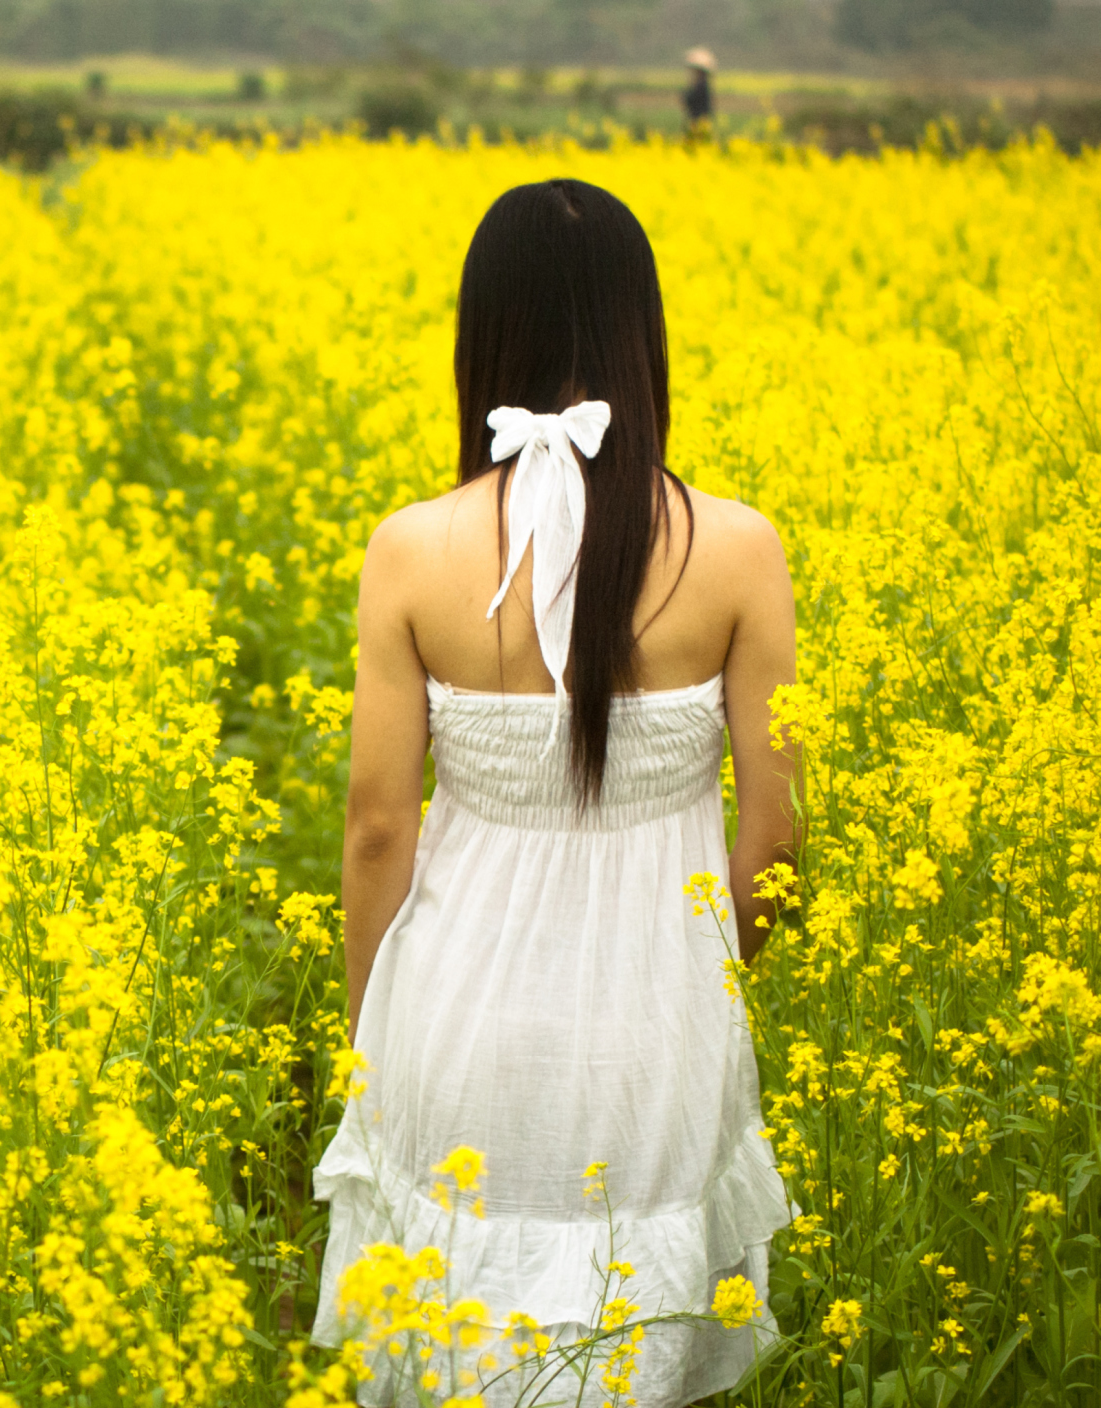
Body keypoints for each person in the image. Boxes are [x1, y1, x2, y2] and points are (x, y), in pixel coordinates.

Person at [310, 179, 796, 1407]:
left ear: (484, 336)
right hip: (659, 1036)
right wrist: (701, 974)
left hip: (455, 1030)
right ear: (645, 336)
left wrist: (375, 1043)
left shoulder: (411, 548)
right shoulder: (739, 547)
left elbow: (378, 829)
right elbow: (779, 835)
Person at [682, 47, 716, 130]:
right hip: (700, 121)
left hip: (698, 122)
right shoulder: (703, 84)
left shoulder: (701, 85)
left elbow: (690, 100)